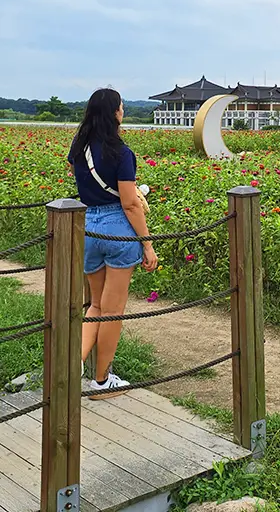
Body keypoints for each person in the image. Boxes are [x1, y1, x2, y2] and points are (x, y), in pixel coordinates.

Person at [68, 88, 158, 397]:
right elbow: (131, 205)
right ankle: (102, 381)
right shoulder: (121, 152)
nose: (123, 111)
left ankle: (70, 366)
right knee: (112, 311)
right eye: (121, 107)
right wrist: (147, 244)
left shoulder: (78, 148)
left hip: (89, 227)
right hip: (118, 230)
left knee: (95, 304)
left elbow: (82, 183)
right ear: (115, 114)